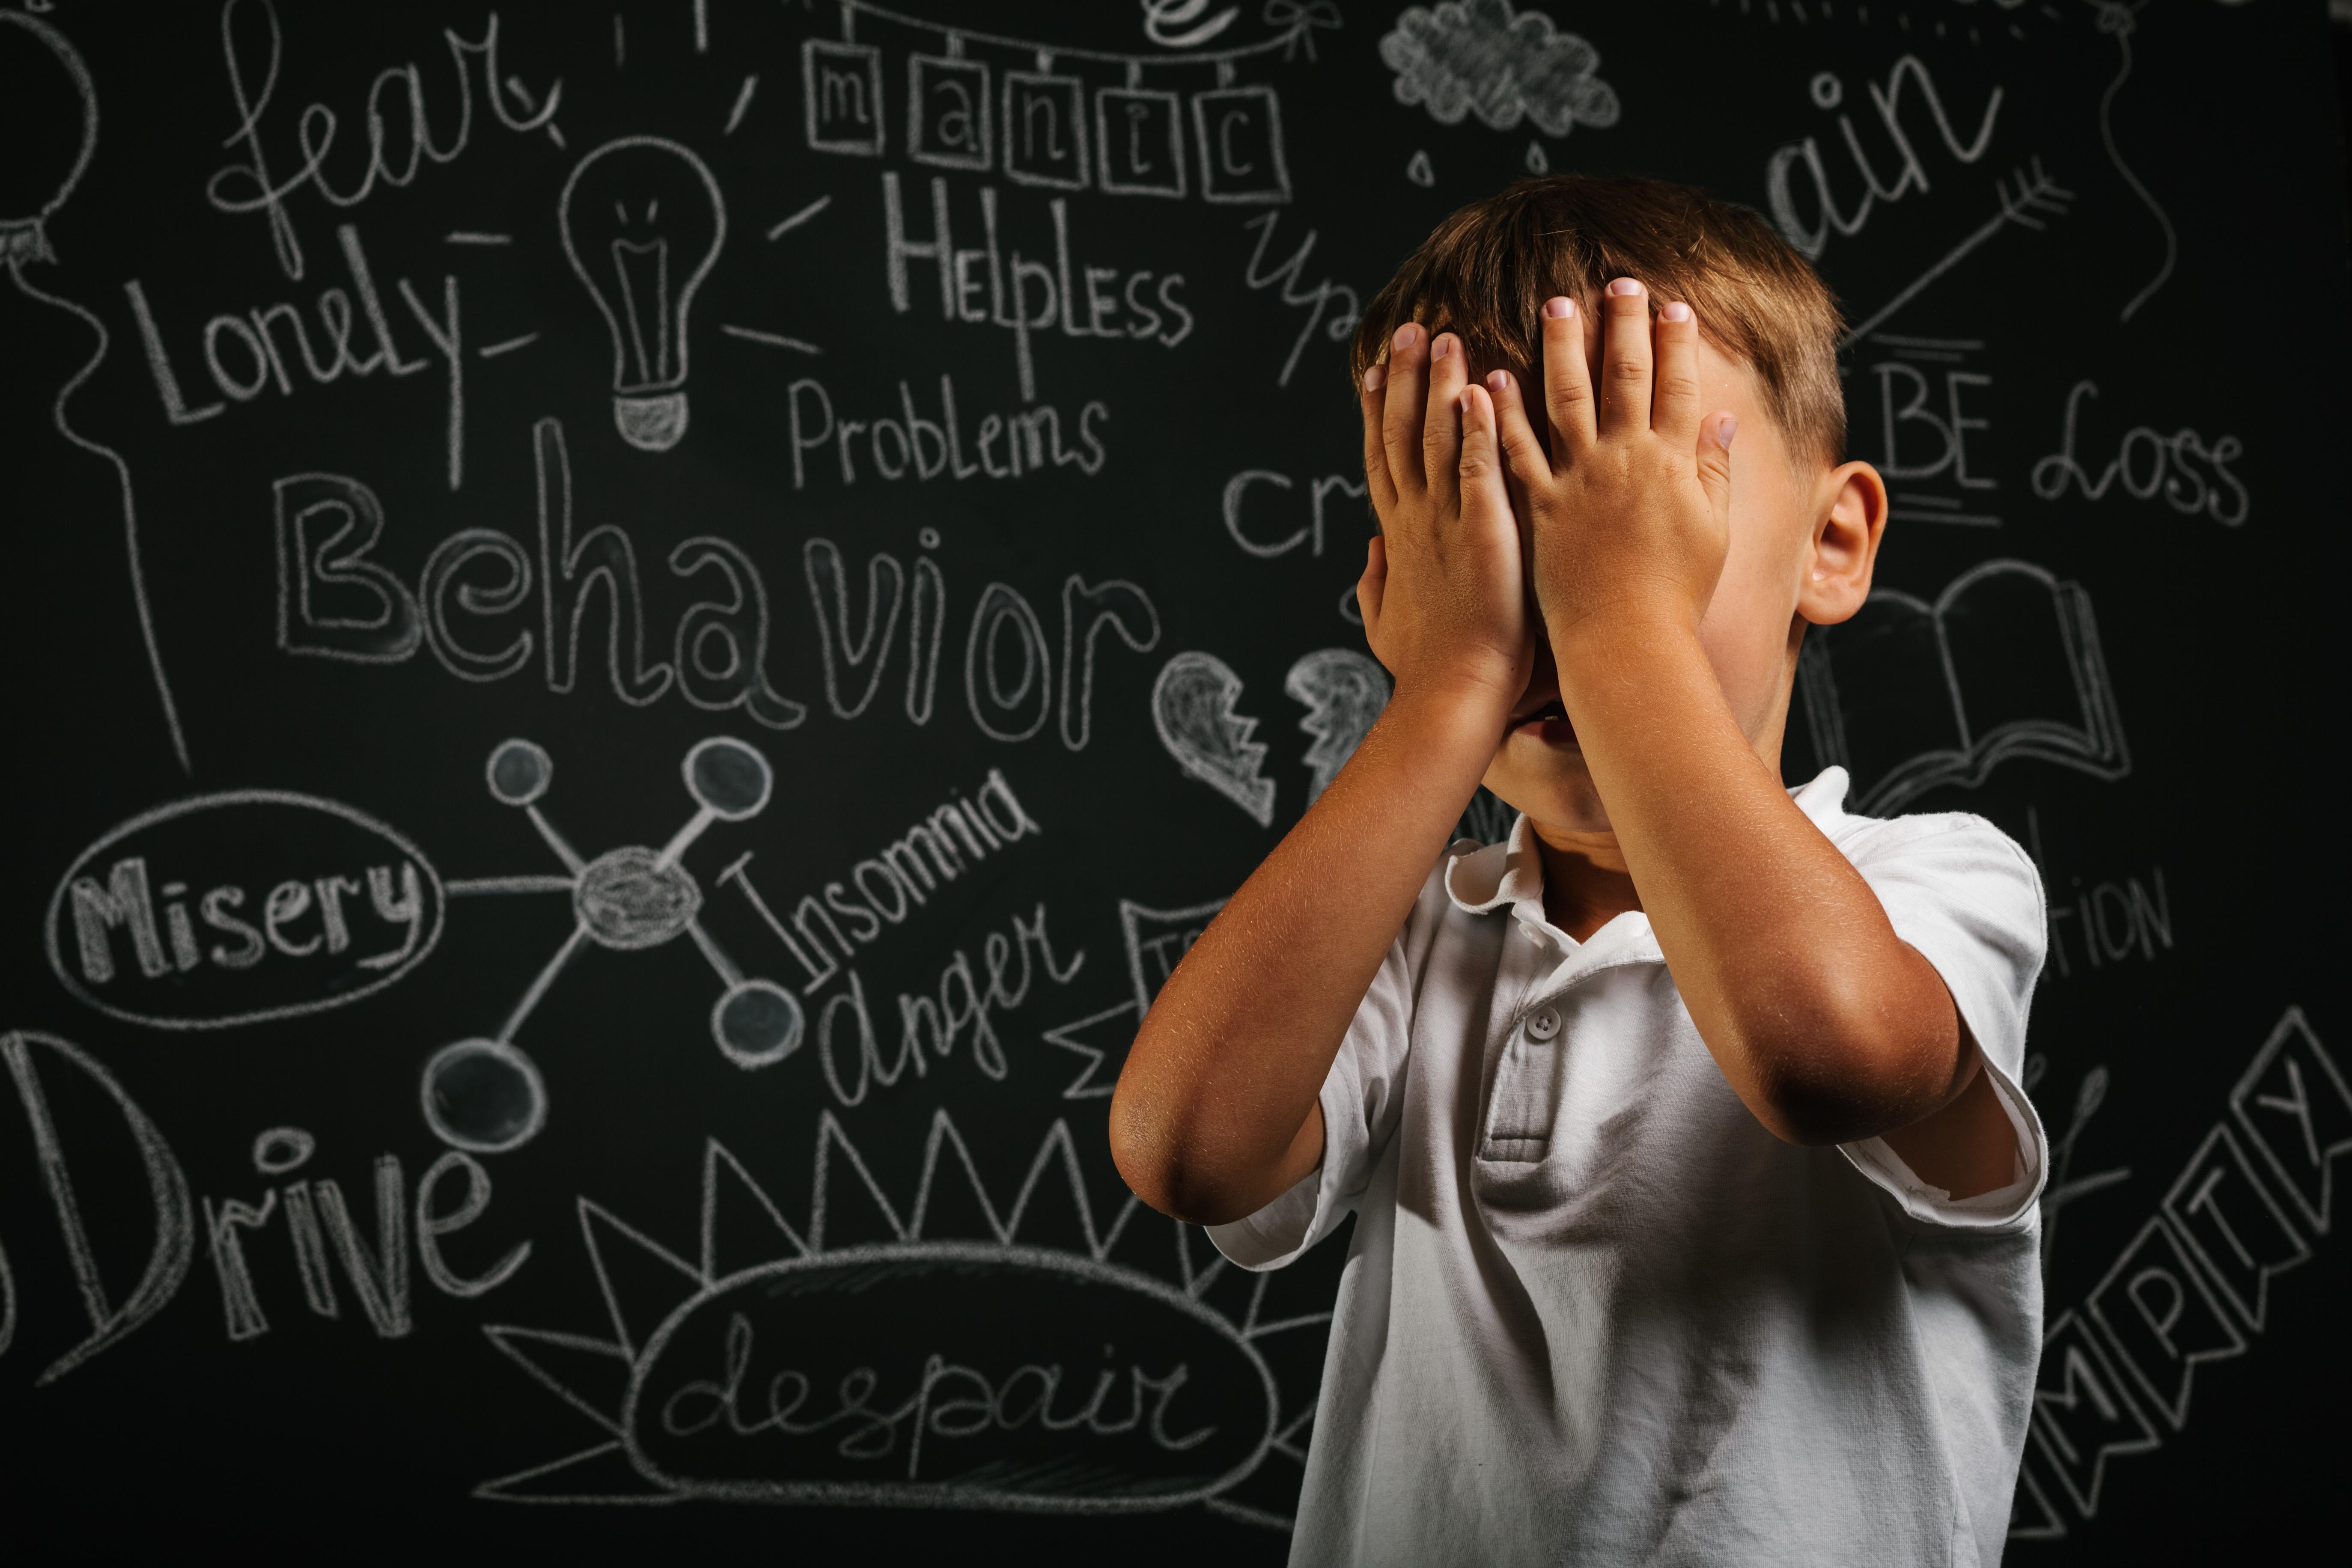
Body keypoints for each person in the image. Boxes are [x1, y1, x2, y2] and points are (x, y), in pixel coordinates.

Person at [1108, 176, 2049, 1566]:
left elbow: (1825, 1053)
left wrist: (1618, 628)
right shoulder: (1419, 942)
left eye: (1626, 517)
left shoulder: (1931, 884)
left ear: (1832, 544)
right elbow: (1188, 1150)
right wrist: (1452, 686)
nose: (1564, 596)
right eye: (1494, 528)